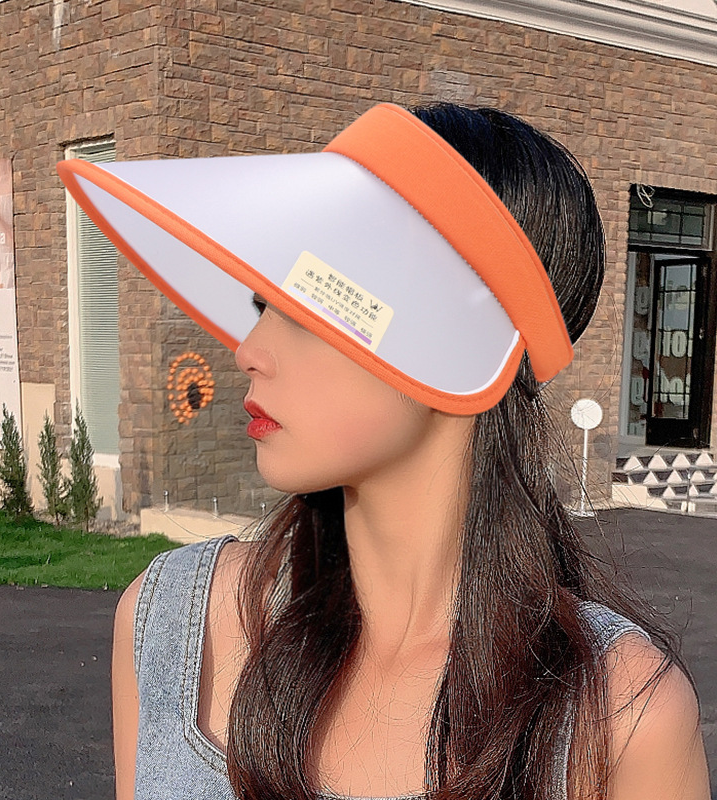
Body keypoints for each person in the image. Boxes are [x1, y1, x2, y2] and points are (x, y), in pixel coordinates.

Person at [58, 102, 710, 800]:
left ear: (457, 344)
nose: (248, 351)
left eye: (309, 308)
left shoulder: (619, 717)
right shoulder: (172, 626)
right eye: (261, 304)